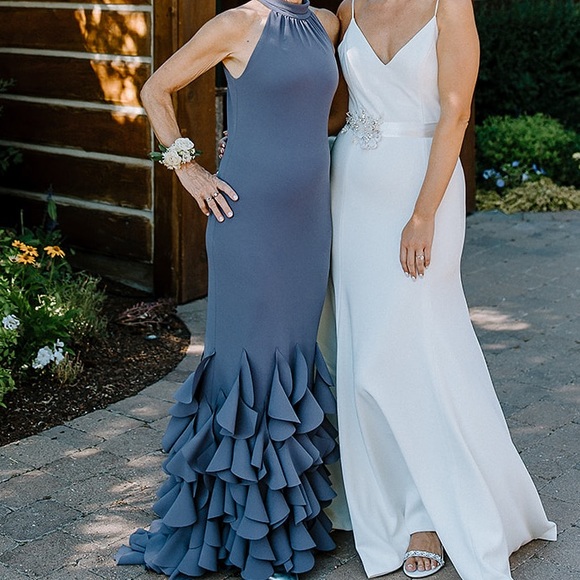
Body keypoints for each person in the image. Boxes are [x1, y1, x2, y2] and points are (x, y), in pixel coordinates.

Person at [323, 0, 557, 578]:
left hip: (423, 187)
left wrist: (423, 214)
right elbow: (331, 109)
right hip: (352, 189)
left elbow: (456, 112)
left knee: (416, 346)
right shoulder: (348, 6)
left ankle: (428, 514)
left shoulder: (449, 5)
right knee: (362, 357)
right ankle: (380, 498)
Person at [115, 2, 341, 579]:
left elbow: (325, 112)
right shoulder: (238, 23)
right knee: (248, 370)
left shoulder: (326, 22)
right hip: (248, 221)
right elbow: (155, 90)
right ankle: (237, 536)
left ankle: (284, 527)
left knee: (291, 363)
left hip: (309, 225)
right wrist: (187, 167)